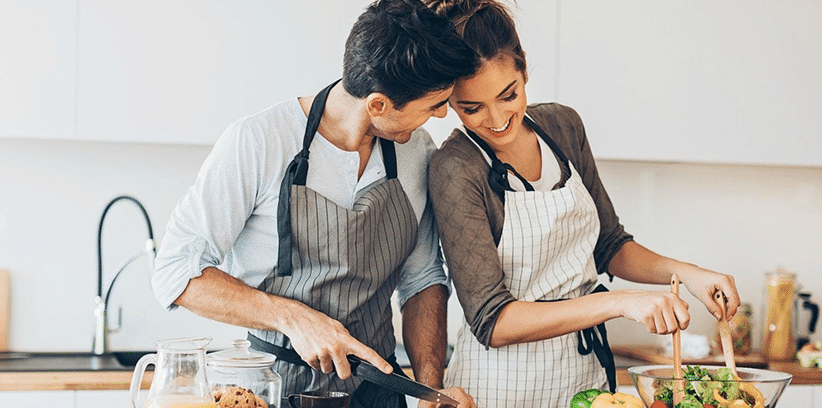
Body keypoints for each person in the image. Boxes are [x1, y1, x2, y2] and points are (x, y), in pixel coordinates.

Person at [151, 1, 480, 406]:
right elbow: (176, 272)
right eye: (433, 105)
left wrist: (431, 389)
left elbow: (422, 279)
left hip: (377, 393)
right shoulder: (260, 142)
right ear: (377, 105)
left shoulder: (416, 151)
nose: (443, 114)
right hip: (271, 389)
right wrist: (293, 318)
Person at [423, 1, 742, 407]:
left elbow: (609, 246)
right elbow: (492, 320)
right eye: (472, 108)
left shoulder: (562, 127)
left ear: (523, 70)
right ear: (450, 101)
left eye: (509, 95)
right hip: (499, 388)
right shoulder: (456, 167)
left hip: (583, 380)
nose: (498, 118)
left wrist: (688, 273)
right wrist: (619, 303)